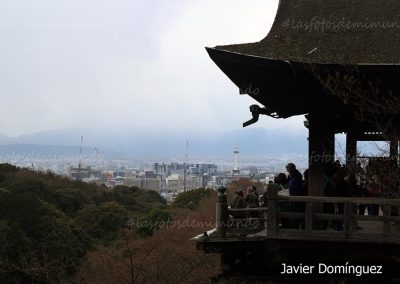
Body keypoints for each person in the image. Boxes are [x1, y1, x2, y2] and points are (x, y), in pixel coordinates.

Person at [286, 163, 304, 228]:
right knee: (294, 215)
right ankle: (295, 226)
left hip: (295, 199)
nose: (287, 171)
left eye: (288, 169)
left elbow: (297, 189)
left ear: (292, 168)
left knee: (296, 215)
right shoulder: (294, 176)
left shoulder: (296, 177)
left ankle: (295, 227)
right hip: (293, 198)